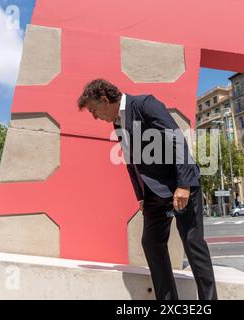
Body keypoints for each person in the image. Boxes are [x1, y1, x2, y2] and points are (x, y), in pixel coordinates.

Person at [77, 79, 217, 300]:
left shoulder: (144, 104)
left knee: (193, 244)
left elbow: (176, 139)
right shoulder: (117, 123)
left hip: (180, 184)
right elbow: (131, 162)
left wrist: (183, 184)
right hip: (153, 193)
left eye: (94, 111)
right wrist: (140, 196)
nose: (96, 117)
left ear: (104, 100)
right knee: (151, 242)